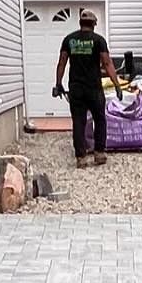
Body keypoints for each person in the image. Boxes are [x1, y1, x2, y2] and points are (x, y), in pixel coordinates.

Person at [53, 10, 122, 168]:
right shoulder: (98, 40)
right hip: (94, 88)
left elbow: (62, 62)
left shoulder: (69, 40)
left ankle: (81, 157)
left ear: (81, 23)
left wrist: (58, 83)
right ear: (93, 24)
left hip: (76, 88)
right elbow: (107, 63)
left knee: (78, 121)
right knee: (100, 119)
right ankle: (99, 153)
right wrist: (117, 85)